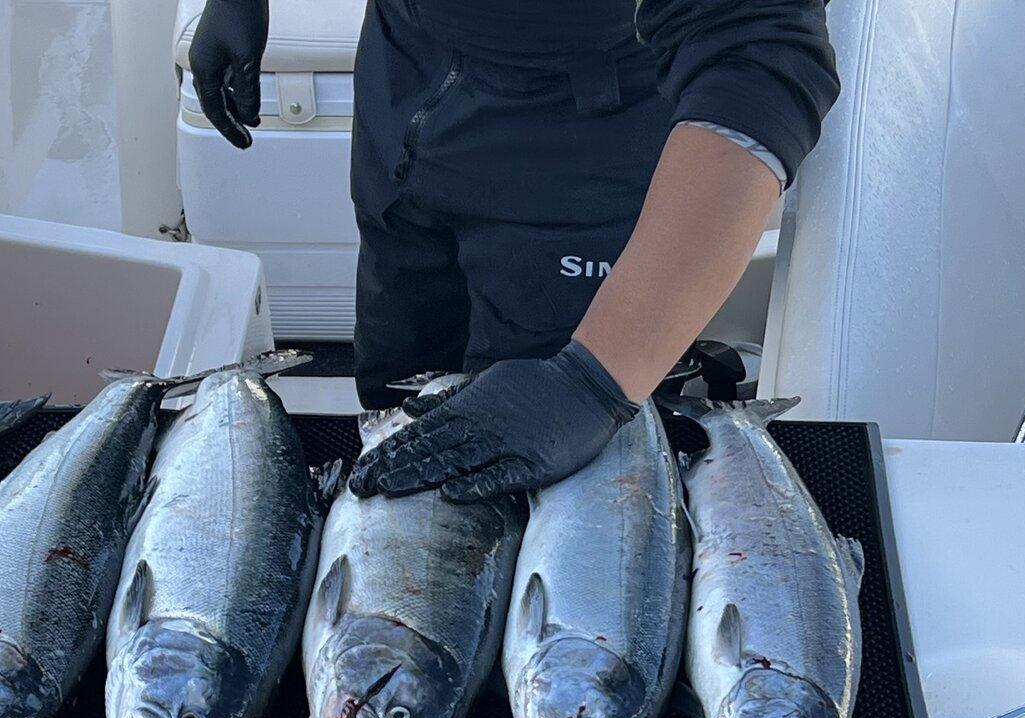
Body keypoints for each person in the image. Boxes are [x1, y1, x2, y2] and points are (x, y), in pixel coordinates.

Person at [187, 0, 838, 502]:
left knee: (532, 455)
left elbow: (758, 60)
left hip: (583, 130)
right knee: (400, 367)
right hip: (406, 76)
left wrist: (596, 380)